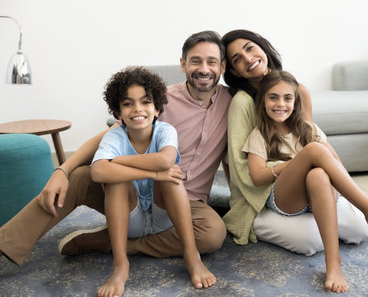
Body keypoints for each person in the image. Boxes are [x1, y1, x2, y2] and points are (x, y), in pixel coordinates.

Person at [0, 30, 231, 293]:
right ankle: (5, 243)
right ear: (183, 64)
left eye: (211, 61)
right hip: (133, 189)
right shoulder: (159, 99)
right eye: (195, 61)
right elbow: (106, 138)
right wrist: (61, 171)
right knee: (77, 178)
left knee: (212, 234)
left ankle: (111, 242)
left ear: (222, 66)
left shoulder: (233, 102)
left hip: (186, 201)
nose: (204, 69)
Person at [243, 70, 368, 292]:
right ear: (262, 101)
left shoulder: (309, 129)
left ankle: (333, 265)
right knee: (315, 150)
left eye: (288, 98)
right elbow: (257, 177)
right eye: (273, 97)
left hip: (319, 193)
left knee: (318, 172)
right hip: (287, 200)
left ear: (296, 102)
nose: (281, 104)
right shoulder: (260, 134)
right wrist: (299, 161)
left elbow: (336, 165)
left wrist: (309, 160)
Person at [221, 29, 368, 255]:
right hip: (267, 194)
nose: (248, 59)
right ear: (234, 71)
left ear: (263, 47)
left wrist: (332, 178)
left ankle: (365, 210)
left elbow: (309, 139)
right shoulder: (242, 102)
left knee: (361, 229)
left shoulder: (298, 90)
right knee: (312, 241)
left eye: (250, 48)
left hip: (309, 181)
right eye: (237, 59)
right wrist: (299, 163)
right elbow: (241, 168)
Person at [89, 67, 216, 296]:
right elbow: (98, 172)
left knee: (172, 175)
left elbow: (165, 160)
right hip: (131, 220)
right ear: (118, 112)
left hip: (164, 217)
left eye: (145, 102)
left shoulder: (165, 130)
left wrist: (117, 161)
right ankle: (120, 265)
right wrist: (153, 174)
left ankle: (192, 255)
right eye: (128, 104)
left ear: (157, 109)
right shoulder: (115, 136)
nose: (137, 109)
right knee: (116, 181)